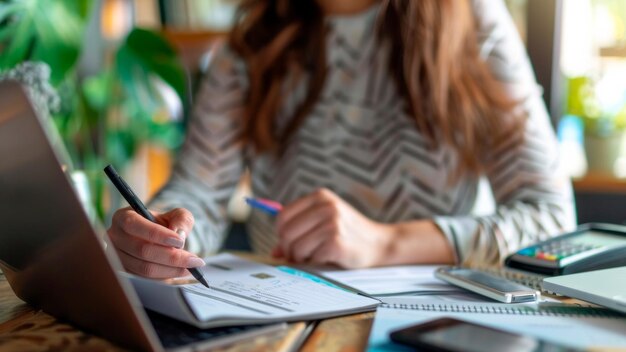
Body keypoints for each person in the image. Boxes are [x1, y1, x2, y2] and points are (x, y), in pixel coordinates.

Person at [106, 0, 575, 279]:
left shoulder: (471, 19)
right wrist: (165, 236)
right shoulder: (253, 40)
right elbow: (199, 194)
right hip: (278, 324)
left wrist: (383, 244)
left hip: (435, 330)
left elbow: (552, 220)